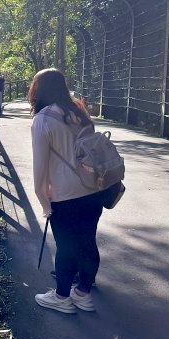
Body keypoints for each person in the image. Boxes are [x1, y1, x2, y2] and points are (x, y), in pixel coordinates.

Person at [28, 68, 111, 313]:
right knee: (87, 241)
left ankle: (62, 296)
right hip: (94, 189)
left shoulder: (43, 120)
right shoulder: (79, 113)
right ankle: (83, 292)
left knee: (66, 245)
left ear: (37, 90)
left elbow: (40, 168)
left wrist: (44, 201)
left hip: (65, 195)